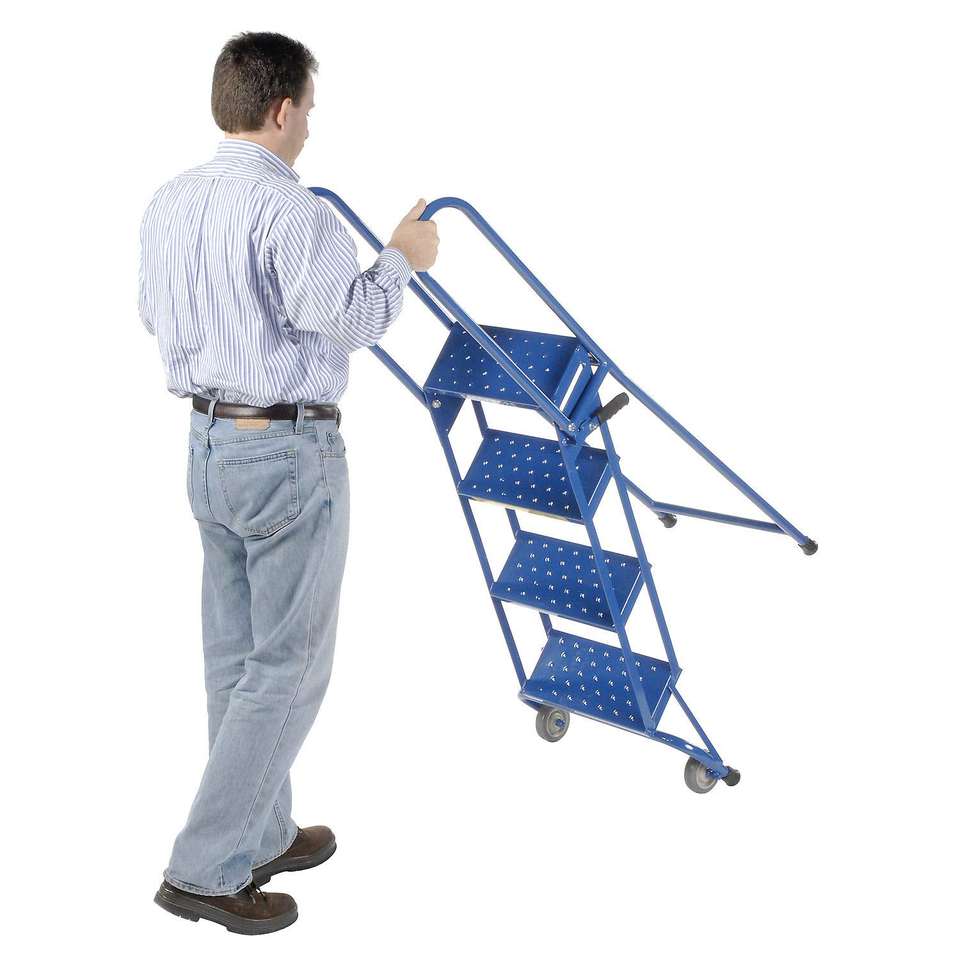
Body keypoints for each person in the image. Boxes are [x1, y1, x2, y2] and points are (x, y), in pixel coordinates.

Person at [137, 31, 439, 935]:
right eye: (308, 107)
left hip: (207, 443)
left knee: (236, 658)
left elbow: (153, 314)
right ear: (280, 110)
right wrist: (403, 257)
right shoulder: (291, 210)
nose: (309, 123)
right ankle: (205, 870)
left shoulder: (169, 201)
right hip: (284, 449)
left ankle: (260, 831)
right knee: (289, 667)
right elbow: (351, 319)